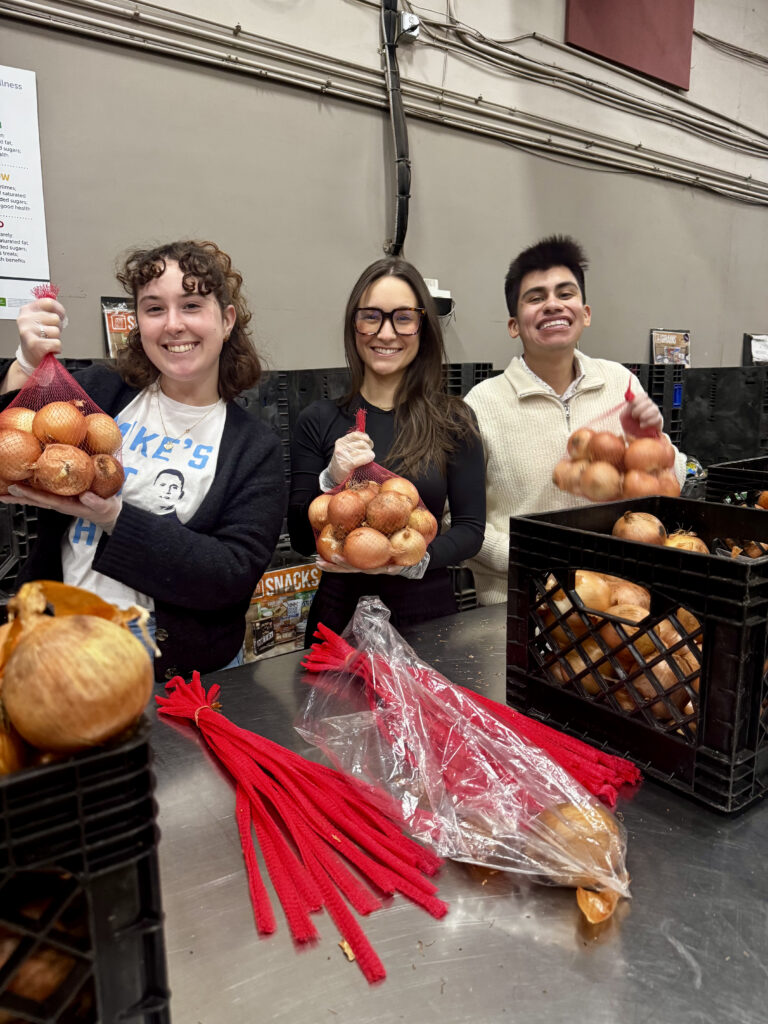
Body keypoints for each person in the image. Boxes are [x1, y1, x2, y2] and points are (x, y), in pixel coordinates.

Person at [0, 240, 286, 680]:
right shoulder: (99, 392)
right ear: (138, 322)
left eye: (191, 305)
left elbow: (230, 576)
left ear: (226, 320)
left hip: (172, 664)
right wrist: (24, 366)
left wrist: (114, 516)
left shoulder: (254, 447)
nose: (173, 325)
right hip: (56, 634)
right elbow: (10, 448)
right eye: (154, 308)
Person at [463, 234, 687, 606]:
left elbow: (669, 487)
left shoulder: (621, 383)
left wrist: (653, 443)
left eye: (565, 294)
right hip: (519, 603)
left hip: (619, 600)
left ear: (585, 313)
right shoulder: (481, 404)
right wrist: (534, 559)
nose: (552, 305)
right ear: (514, 325)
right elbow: (459, 520)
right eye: (535, 298)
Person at [288, 256, 485, 641]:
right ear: (354, 325)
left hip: (427, 613)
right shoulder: (319, 419)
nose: (386, 333)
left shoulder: (454, 420)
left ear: (423, 327)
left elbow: (470, 529)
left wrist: (417, 560)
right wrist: (331, 478)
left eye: (403, 317)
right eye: (371, 316)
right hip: (339, 616)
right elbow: (299, 536)